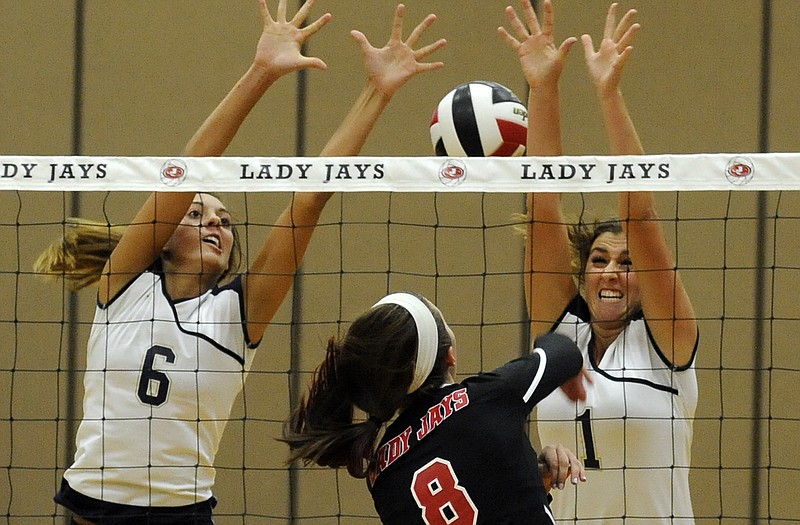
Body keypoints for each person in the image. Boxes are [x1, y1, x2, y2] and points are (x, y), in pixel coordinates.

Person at [34, 1, 446, 523]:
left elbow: (309, 198)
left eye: (226, 221)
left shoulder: (237, 315)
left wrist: (377, 92)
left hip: (179, 514)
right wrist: (261, 72)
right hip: (90, 511)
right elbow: (187, 168)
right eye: (199, 212)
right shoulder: (124, 285)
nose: (215, 224)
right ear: (162, 240)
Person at [504, 1, 699, 523]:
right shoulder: (562, 336)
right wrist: (543, 87)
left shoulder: (667, 344)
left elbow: (642, 215)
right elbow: (543, 206)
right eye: (599, 259)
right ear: (584, 272)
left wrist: (607, 93)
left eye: (626, 262)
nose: (612, 271)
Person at [283, 291, 588, 524]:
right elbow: (563, 350)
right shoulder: (486, 399)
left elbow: (473, 494)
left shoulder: (382, 474)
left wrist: (533, 476)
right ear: (450, 356)